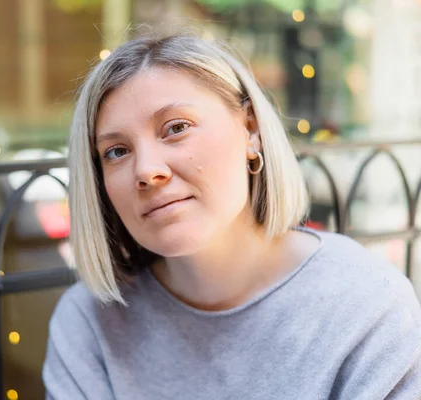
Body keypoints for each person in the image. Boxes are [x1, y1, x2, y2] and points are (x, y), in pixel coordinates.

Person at [42, 34, 421, 399]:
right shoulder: (88, 323)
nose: (146, 170)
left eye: (176, 128)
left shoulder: (366, 305)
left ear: (251, 131)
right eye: (116, 151)